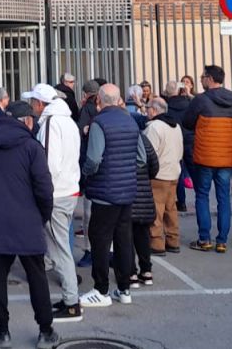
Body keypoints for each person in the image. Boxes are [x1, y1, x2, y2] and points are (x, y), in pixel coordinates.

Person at [0, 100, 59, 349]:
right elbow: (44, 189)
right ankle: (45, 329)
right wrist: (41, 215)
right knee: (37, 276)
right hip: (28, 219)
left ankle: (1, 331)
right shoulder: (32, 147)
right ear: (27, 121)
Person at [79, 84, 138, 307]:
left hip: (105, 191)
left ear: (99, 101)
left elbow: (94, 159)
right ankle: (123, 289)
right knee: (123, 239)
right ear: (119, 99)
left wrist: (85, 173)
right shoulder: (130, 121)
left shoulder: (99, 123)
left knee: (100, 240)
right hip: (126, 190)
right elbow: (140, 157)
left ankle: (101, 289)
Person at [28, 83, 83, 323]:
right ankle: (70, 298)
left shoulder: (51, 123)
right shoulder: (67, 121)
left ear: (41, 104)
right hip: (68, 190)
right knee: (61, 247)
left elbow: (49, 165)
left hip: (56, 194)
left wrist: (42, 196)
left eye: (33, 102)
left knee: (59, 250)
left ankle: (72, 302)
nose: (32, 106)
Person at [182, 65, 232, 253]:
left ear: (210, 79)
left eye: (202, 76)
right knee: (224, 199)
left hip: (205, 156)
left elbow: (187, 122)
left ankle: (204, 239)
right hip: (225, 157)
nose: (200, 79)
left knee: (202, 196)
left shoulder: (201, 100)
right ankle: (222, 241)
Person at [144, 98, 183, 256]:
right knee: (170, 208)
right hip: (173, 171)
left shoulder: (154, 127)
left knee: (156, 210)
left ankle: (156, 243)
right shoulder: (176, 126)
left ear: (154, 110)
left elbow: (149, 152)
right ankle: (173, 240)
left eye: (147, 108)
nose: (146, 111)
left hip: (158, 174)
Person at [128, 120, 161, 290]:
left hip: (126, 192)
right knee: (143, 235)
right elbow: (155, 165)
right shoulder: (143, 139)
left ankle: (131, 273)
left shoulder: (119, 139)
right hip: (144, 194)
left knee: (126, 236)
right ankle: (146, 271)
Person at [162, 81, 194, 212]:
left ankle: (181, 201)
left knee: (178, 171)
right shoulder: (189, 104)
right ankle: (201, 197)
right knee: (194, 170)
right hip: (190, 139)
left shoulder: (166, 106)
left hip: (174, 140)